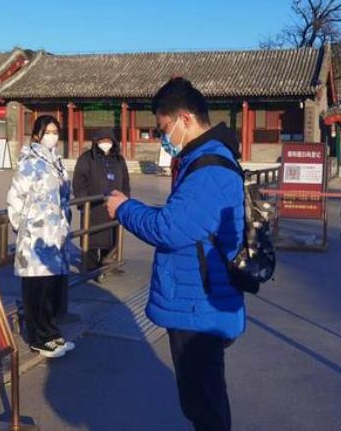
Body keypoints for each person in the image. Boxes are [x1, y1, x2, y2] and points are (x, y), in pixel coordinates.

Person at [106, 77, 244, 431]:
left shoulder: (210, 168)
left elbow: (169, 227)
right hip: (197, 294)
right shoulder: (202, 158)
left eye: (163, 127)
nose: (160, 136)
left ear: (185, 119)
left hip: (198, 301)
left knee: (204, 401)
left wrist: (124, 208)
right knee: (202, 396)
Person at [7, 115, 75, 358]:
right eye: (48, 131)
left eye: (56, 131)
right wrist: (24, 227)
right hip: (35, 238)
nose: (52, 136)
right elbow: (15, 198)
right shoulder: (30, 162)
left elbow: (66, 197)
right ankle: (38, 338)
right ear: (37, 134)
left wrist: (65, 222)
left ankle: (51, 333)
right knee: (36, 289)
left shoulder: (56, 162)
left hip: (55, 239)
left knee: (51, 289)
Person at [72, 128, 130, 279]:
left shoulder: (119, 159)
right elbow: (79, 182)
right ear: (96, 142)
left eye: (108, 141)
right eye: (102, 141)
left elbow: (125, 182)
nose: (105, 144)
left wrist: (125, 201)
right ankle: (90, 267)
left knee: (112, 237)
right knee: (91, 239)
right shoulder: (86, 158)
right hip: (94, 207)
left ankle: (107, 264)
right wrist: (84, 202)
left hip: (115, 207)